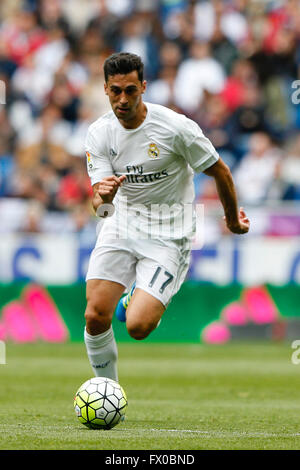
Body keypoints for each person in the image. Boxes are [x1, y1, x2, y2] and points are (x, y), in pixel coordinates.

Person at [84, 52, 250, 382]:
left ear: (143, 87)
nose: (122, 99)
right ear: (105, 89)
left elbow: (221, 171)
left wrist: (231, 220)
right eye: (115, 90)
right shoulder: (99, 134)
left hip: (169, 234)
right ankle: (108, 389)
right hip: (122, 224)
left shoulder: (175, 128)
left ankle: (135, 298)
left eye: (130, 90)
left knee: (138, 327)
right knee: (95, 315)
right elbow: (101, 208)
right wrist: (102, 200)